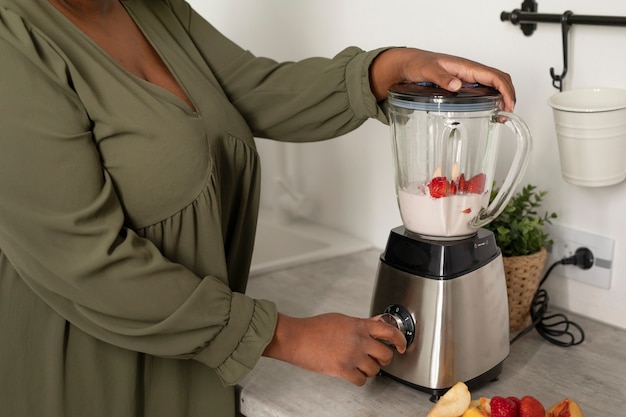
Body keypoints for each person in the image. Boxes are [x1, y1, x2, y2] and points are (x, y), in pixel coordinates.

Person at [0, 0, 516, 416]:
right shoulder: (14, 42)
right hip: (86, 367)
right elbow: (86, 261)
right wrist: (286, 335)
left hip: (193, 350)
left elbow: (255, 88)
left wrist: (392, 68)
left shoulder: (148, 9)